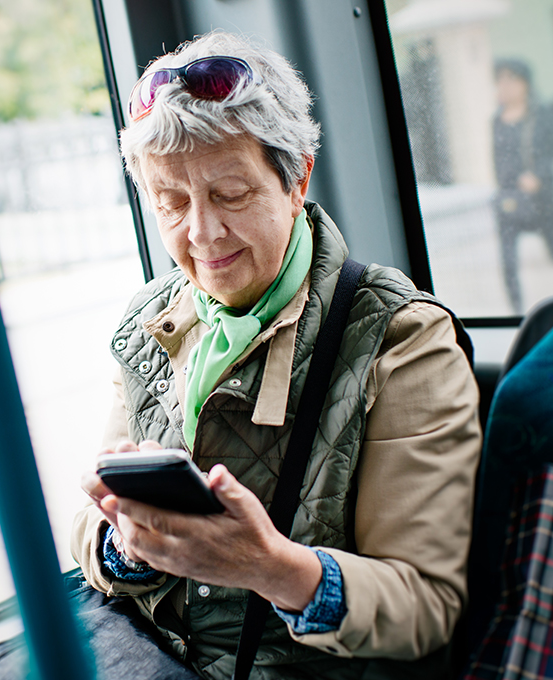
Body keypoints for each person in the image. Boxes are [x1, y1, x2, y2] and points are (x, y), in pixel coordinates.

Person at [72, 31, 481, 679]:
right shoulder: (150, 321)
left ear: (297, 180)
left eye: (230, 194)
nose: (201, 233)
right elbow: (87, 532)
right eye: (171, 202)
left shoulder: (402, 338)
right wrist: (128, 546)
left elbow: (423, 607)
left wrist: (269, 568)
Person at [493, 59, 553, 314]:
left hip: (544, 199)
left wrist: (538, 176)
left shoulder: (543, 113)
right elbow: (497, 159)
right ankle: (517, 313)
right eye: (500, 79)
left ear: (525, 83)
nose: (504, 85)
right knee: (508, 261)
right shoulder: (497, 119)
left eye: (511, 78)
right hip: (510, 200)